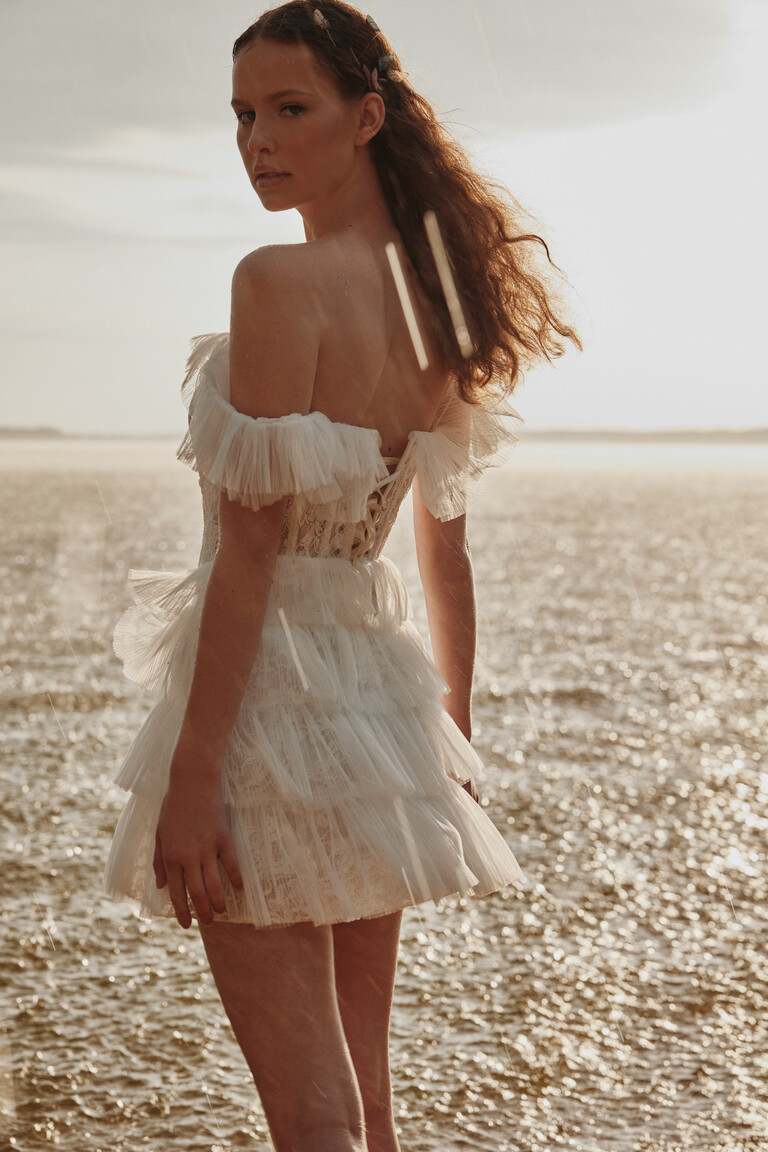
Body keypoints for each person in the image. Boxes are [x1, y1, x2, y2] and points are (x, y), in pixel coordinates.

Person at [103, 2, 580, 1149]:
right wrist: (447, 742)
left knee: (310, 1111)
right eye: (242, 115)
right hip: (380, 709)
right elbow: (443, 549)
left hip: (269, 698)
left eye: (288, 109)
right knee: (367, 1096)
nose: (257, 140)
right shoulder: (443, 294)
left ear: (366, 116)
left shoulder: (277, 281)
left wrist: (194, 776)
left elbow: (254, 550)